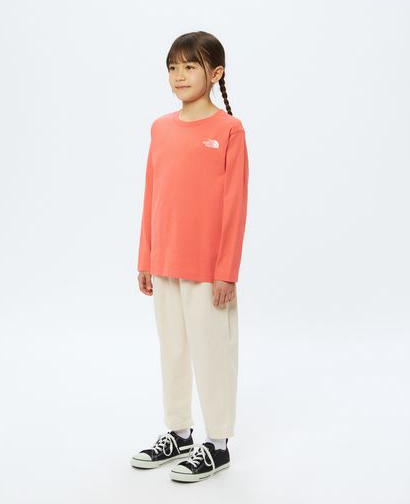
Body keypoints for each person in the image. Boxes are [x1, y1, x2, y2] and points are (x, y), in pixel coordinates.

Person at [131, 31, 249, 483]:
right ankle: (179, 433)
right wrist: (146, 257)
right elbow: (152, 195)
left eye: (190, 67)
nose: (179, 76)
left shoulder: (228, 130)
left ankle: (217, 445)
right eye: (173, 68)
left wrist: (227, 271)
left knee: (212, 352)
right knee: (174, 351)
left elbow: (235, 206)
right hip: (165, 262)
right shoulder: (161, 128)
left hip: (207, 268)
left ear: (215, 73)